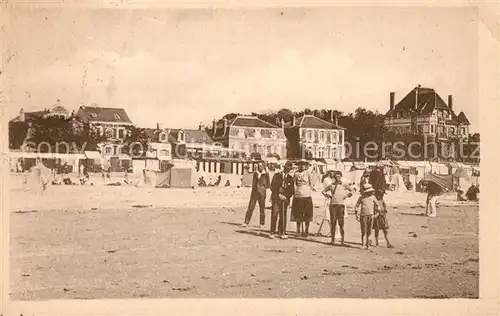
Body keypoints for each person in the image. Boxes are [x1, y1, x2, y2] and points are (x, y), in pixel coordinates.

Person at [322, 170, 354, 245]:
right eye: (336, 177)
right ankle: (332, 240)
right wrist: (328, 196)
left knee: (341, 224)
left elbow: (353, 190)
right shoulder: (331, 185)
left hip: (341, 205)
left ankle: (342, 241)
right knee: (333, 223)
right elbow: (323, 191)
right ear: (334, 177)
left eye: (339, 176)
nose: (337, 178)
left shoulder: (344, 185)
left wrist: (347, 195)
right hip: (333, 205)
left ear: (341, 177)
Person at [269, 161, 295, 239]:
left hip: (285, 199)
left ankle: (282, 231)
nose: (288, 170)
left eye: (289, 169)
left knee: (283, 215)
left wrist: (286, 196)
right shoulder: (277, 175)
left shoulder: (290, 178)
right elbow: (272, 186)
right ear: (284, 168)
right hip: (276, 198)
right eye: (287, 168)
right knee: (274, 214)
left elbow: (292, 190)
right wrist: (278, 194)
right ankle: (272, 232)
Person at [242, 162, 270, 228]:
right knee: (250, 207)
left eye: (260, 166)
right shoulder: (255, 173)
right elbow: (253, 183)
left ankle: (262, 223)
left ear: (263, 166)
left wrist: (262, 187)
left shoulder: (266, 174)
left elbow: (268, 184)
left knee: (262, 209)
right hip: (254, 192)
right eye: (258, 166)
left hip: (262, 193)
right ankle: (246, 222)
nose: (259, 167)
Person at [291, 159, 314, 237]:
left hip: (306, 195)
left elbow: (311, 184)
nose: (302, 166)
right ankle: (298, 230)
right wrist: (295, 193)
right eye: (301, 164)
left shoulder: (308, 174)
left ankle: (306, 230)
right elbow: (294, 184)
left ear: (306, 165)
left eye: (304, 164)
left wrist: (309, 190)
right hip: (298, 195)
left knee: (307, 214)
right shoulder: (296, 173)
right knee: (298, 214)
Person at [354, 183, 379, 250]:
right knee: (363, 231)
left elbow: (378, 206)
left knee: (369, 231)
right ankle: (363, 244)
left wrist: (376, 214)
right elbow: (356, 206)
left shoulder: (373, 197)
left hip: (370, 215)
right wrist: (356, 215)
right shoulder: (361, 197)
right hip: (363, 215)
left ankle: (368, 245)